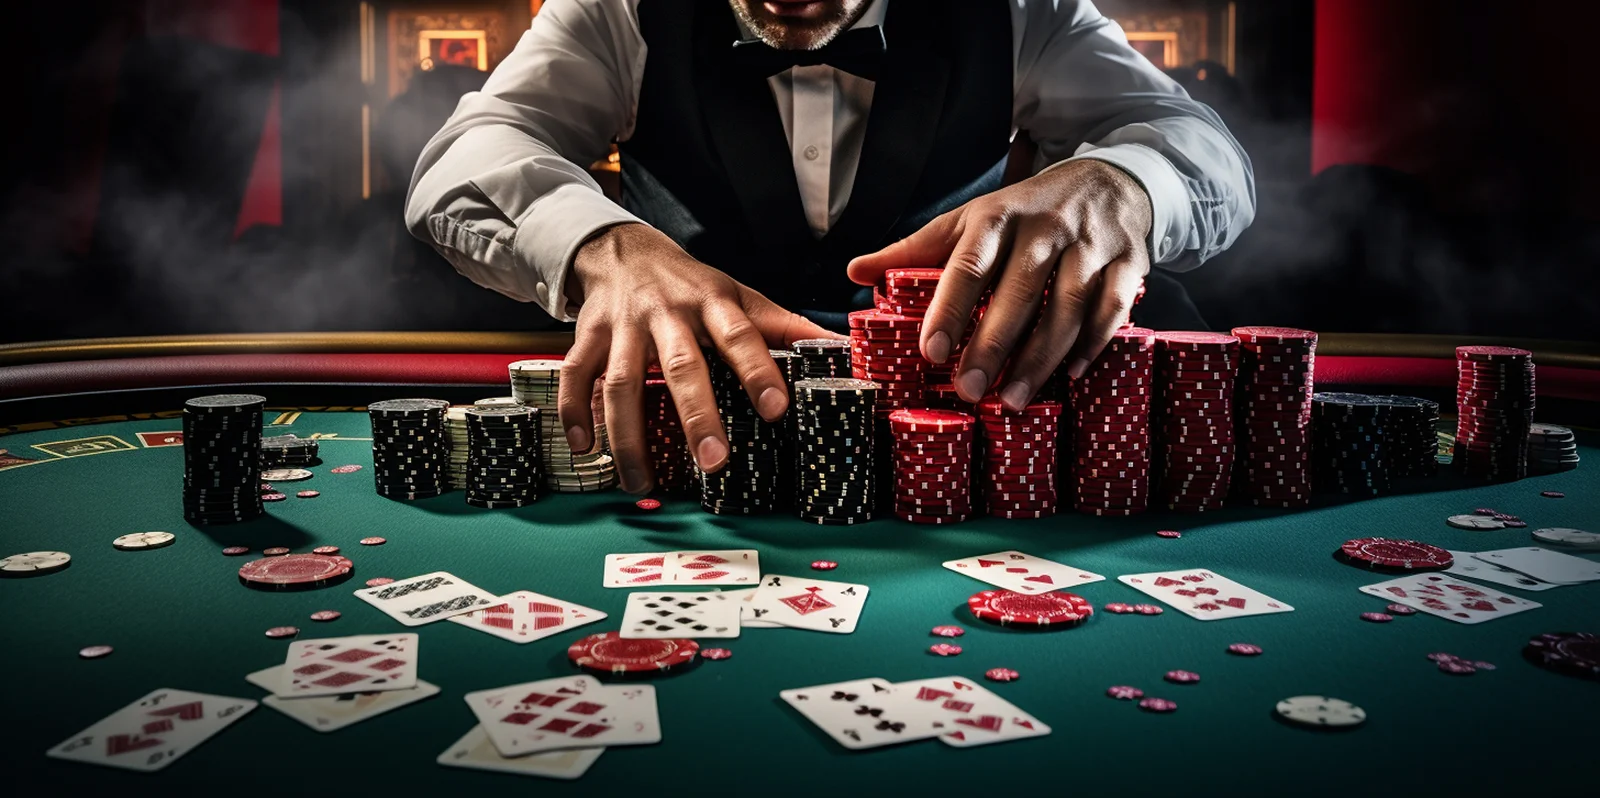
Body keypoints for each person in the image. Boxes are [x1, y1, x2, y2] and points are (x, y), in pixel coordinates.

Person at [406, 0, 1254, 495]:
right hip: (705, 456)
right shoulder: (618, 9)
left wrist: (1125, 184)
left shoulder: (1020, 10)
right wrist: (603, 247)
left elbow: (1202, 148)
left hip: (967, 438)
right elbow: (462, 161)